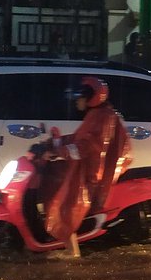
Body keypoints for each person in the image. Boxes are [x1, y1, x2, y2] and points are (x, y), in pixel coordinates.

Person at [44, 76, 132, 258]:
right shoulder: (97, 115)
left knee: (65, 207)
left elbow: (88, 146)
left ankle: (72, 253)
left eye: (80, 97)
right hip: (87, 168)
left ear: (90, 97)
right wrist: (53, 143)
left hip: (93, 173)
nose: (77, 100)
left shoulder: (103, 117)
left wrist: (57, 152)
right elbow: (79, 139)